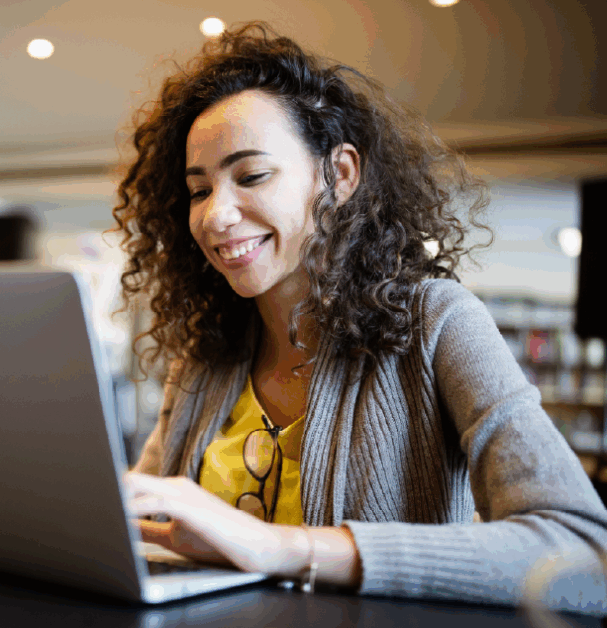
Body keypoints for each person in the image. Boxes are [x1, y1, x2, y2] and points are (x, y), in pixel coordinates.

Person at [112, 22, 607, 613]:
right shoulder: (205, 357)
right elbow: (139, 516)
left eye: (251, 176)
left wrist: (281, 547)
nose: (216, 216)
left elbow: (586, 555)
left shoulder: (438, 323)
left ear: (340, 175)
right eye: (198, 190)